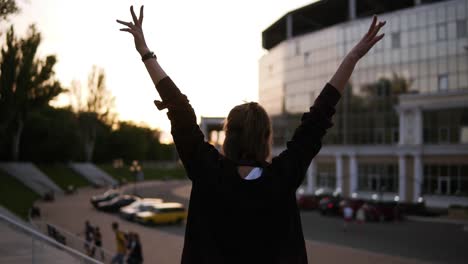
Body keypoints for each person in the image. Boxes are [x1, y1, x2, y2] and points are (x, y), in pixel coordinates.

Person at [117, 5, 385, 263]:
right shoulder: (282, 177)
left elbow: (180, 110)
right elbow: (317, 119)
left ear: (228, 135)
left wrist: (146, 53)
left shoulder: (208, 171)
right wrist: (351, 59)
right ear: (266, 138)